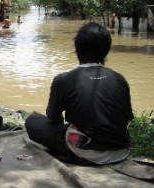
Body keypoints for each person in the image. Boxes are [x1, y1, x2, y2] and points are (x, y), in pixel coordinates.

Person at [25, 22, 133, 165]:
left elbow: (53, 118)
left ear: (77, 49)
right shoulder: (119, 79)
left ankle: (74, 152)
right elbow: (127, 118)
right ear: (106, 51)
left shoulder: (63, 80)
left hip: (83, 151)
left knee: (32, 121)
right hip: (121, 151)